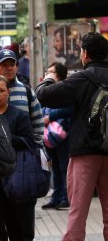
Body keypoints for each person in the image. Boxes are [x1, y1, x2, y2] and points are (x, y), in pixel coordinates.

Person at [36, 32, 108, 241]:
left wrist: (49, 77)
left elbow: (45, 95)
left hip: (84, 152)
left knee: (78, 211)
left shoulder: (82, 78)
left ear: (85, 53)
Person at [0, 49, 44, 241]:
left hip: (22, 154)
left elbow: (37, 120)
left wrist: (35, 148)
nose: (8, 68)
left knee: (25, 198)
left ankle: (25, 240)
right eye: (4, 64)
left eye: (11, 64)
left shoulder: (27, 91)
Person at [0, 75, 35, 241]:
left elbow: (28, 141)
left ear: (8, 93)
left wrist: (3, 138)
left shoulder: (20, 115)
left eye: (1, 90)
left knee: (14, 215)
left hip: (14, 174)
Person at [41, 63, 73, 210]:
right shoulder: (45, 89)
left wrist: (50, 116)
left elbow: (70, 108)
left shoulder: (67, 89)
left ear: (60, 74)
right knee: (54, 167)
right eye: (48, 71)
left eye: (52, 71)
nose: (49, 74)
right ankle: (56, 197)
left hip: (63, 133)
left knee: (64, 167)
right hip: (49, 134)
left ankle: (66, 197)